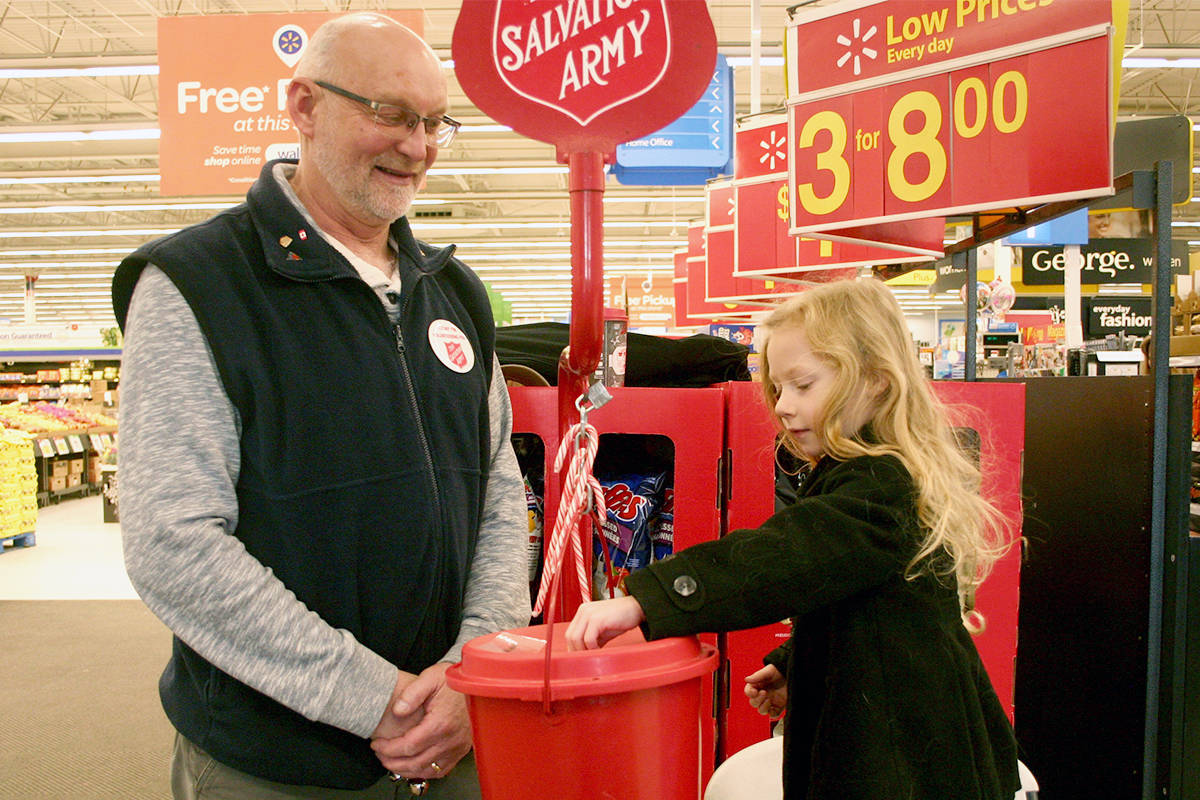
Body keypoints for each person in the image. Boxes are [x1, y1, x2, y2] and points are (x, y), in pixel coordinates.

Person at [111, 13, 529, 799]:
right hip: (277, 760)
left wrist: (477, 668)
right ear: (303, 106)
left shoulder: (453, 292)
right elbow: (172, 541)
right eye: (391, 114)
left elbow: (501, 491)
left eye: (436, 122)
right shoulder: (198, 285)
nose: (419, 146)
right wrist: (374, 699)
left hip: (457, 733)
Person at [566, 278, 1021, 800]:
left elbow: (790, 554)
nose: (782, 406)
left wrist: (650, 598)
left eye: (803, 385)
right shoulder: (869, 471)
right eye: (778, 388)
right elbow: (868, 607)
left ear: (875, 380)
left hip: (905, 769)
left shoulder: (883, 483)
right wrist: (796, 664)